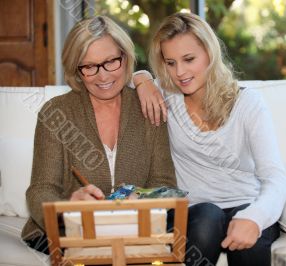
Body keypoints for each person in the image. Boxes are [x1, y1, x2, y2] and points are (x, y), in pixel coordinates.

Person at [137, 12, 286, 266]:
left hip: (245, 203)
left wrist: (255, 216)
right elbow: (121, 83)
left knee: (246, 240)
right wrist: (141, 79)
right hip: (196, 214)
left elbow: (275, 177)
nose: (180, 72)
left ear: (210, 53)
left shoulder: (248, 103)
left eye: (189, 59)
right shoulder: (166, 97)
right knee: (208, 216)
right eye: (170, 63)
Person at [21, 16, 176, 254]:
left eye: (111, 61)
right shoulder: (56, 112)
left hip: (135, 229)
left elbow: (164, 184)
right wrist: (67, 208)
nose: (102, 76)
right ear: (76, 69)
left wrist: (141, 201)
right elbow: (40, 190)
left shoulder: (148, 106)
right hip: (68, 233)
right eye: (89, 67)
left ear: (125, 57)